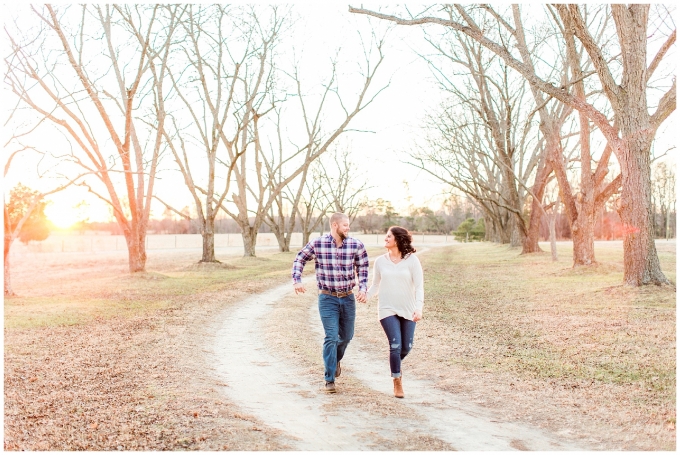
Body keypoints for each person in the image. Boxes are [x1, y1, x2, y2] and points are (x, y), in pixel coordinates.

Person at [292, 212, 368, 393]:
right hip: (327, 298)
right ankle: (329, 378)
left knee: (347, 336)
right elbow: (300, 258)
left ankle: (335, 360)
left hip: (348, 297)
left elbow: (363, 267)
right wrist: (297, 279)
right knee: (331, 336)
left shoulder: (355, 245)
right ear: (335, 225)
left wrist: (363, 288)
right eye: (345, 225)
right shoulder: (318, 243)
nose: (348, 228)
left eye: (348, 225)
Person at [367, 226, 423, 398]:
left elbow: (420, 287)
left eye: (389, 236)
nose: (385, 239)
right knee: (395, 345)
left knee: (406, 347)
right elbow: (375, 285)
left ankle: (395, 363)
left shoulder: (412, 260)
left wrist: (418, 308)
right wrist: (366, 296)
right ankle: (397, 381)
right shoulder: (380, 261)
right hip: (387, 308)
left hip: (408, 308)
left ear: (398, 239)